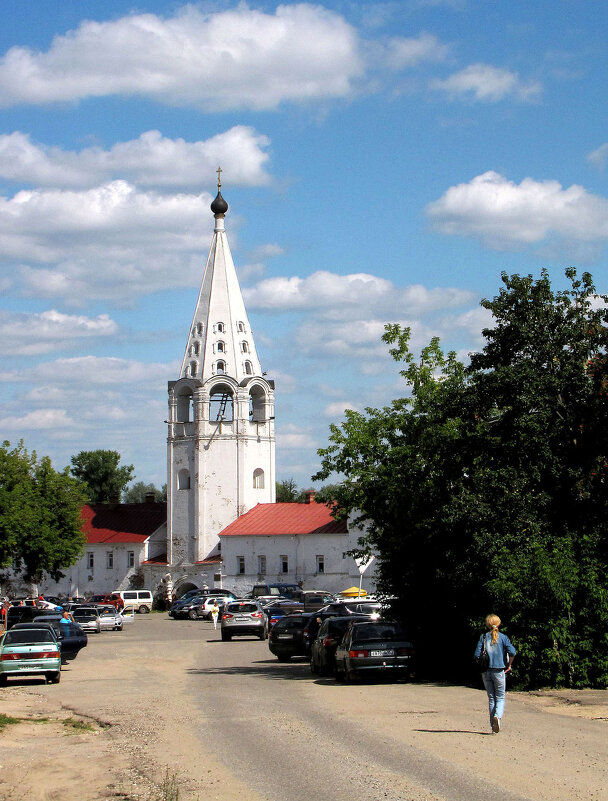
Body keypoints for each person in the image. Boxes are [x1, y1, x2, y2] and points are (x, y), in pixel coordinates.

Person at [474, 614, 516, 734]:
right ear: (499, 623)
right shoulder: (503, 637)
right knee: (500, 697)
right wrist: (509, 665)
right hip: (499, 671)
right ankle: (497, 716)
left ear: (487, 624)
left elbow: (477, 655)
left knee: (491, 698)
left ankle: (493, 725)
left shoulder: (483, 637)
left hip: (486, 671)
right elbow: (512, 652)